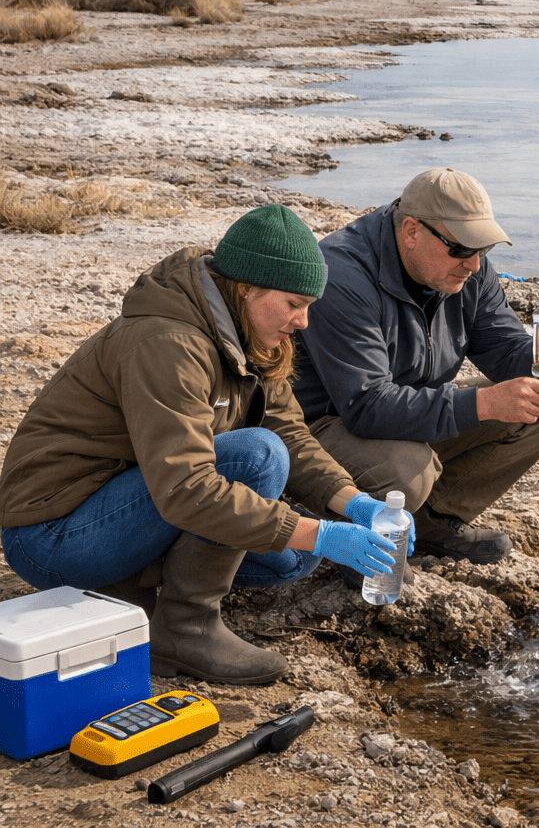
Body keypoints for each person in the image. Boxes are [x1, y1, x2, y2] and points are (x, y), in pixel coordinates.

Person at [0, 205, 406, 684]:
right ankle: (184, 628)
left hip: (133, 500)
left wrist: (353, 502)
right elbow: (187, 487)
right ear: (247, 287)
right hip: (53, 534)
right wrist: (320, 531)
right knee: (258, 458)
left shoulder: (251, 333)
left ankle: (131, 585)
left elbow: (290, 433)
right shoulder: (167, 342)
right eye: (294, 304)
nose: (303, 321)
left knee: (294, 558)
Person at [293, 167, 539, 566]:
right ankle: (362, 547)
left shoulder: (464, 268)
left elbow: (506, 356)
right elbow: (366, 406)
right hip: (319, 427)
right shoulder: (343, 274)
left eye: (483, 248)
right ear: (412, 230)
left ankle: (430, 524)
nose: (474, 264)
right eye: (462, 248)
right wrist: (482, 404)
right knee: (406, 471)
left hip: (401, 412)